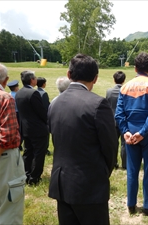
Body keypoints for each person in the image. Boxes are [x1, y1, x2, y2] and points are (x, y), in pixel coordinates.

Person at [48, 53, 118, 225]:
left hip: (62, 184)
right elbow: (110, 148)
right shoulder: (98, 104)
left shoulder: (54, 103)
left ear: (69, 74)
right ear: (95, 78)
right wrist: (102, 174)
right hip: (89, 186)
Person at [115, 52, 148, 215]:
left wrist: (126, 132)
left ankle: (131, 203)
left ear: (135, 68)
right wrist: (143, 132)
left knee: (132, 169)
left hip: (130, 131)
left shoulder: (125, 86)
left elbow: (119, 114)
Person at [0, 63, 26, 225]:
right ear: (6, 80)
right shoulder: (4, 98)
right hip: (5, 160)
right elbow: (7, 137)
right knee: (9, 209)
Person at [15, 70, 49, 185]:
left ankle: (26, 174)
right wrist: (47, 122)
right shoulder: (33, 93)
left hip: (25, 128)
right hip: (38, 129)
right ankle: (34, 178)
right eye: (34, 78)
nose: (36, 79)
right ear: (31, 80)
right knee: (39, 153)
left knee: (28, 152)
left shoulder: (19, 93)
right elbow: (41, 112)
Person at [106, 71, 127, 170]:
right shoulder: (126, 91)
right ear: (124, 80)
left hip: (112, 120)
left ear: (114, 79)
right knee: (124, 143)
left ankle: (114, 162)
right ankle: (125, 164)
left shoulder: (109, 91)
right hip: (124, 120)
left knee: (113, 143)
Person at [7, 80, 23, 151]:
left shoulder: (8, 94)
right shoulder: (17, 95)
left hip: (11, 113)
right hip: (18, 113)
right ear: (16, 88)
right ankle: (19, 144)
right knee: (20, 130)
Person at [36, 77, 51, 156]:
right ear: (43, 84)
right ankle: (45, 149)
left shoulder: (35, 91)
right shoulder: (44, 93)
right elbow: (46, 106)